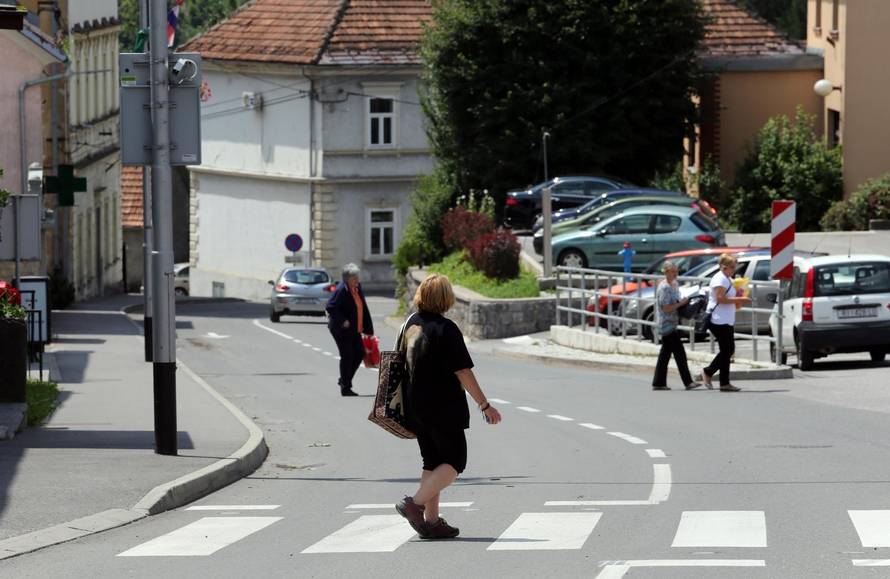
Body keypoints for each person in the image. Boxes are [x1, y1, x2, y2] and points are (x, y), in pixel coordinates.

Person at [395, 274, 502, 540]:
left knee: (432, 461)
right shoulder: (446, 328)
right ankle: (414, 504)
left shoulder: (410, 323)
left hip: (414, 405)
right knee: (455, 461)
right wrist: (485, 405)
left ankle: (430, 522)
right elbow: (463, 371)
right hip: (441, 407)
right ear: (445, 299)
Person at [702, 253, 751, 392]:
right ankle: (708, 372)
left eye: (734, 267)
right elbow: (720, 299)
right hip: (718, 319)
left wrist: (738, 297)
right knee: (728, 350)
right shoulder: (720, 279)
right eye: (731, 267)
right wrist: (740, 300)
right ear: (724, 267)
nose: (734, 269)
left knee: (727, 350)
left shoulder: (726, 278)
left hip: (726, 319)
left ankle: (724, 382)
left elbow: (727, 297)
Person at [652, 261, 703, 391]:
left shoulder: (674, 284)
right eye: (673, 271)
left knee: (665, 354)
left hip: (673, 322)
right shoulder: (664, 288)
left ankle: (658, 382)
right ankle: (688, 382)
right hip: (666, 324)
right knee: (680, 353)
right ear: (666, 272)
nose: (675, 274)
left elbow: (676, 300)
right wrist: (681, 304)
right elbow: (665, 308)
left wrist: (685, 299)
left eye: (677, 271)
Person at [325, 263, 373, 396]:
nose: (357, 280)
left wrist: (366, 327)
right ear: (346, 279)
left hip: (355, 329)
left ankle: (344, 380)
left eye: (357, 277)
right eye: (354, 278)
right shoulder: (341, 290)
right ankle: (345, 387)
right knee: (347, 356)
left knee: (359, 353)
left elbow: (362, 306)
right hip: (341, 330)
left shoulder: (357, 288)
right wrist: (343, 320)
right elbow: (330, 306)